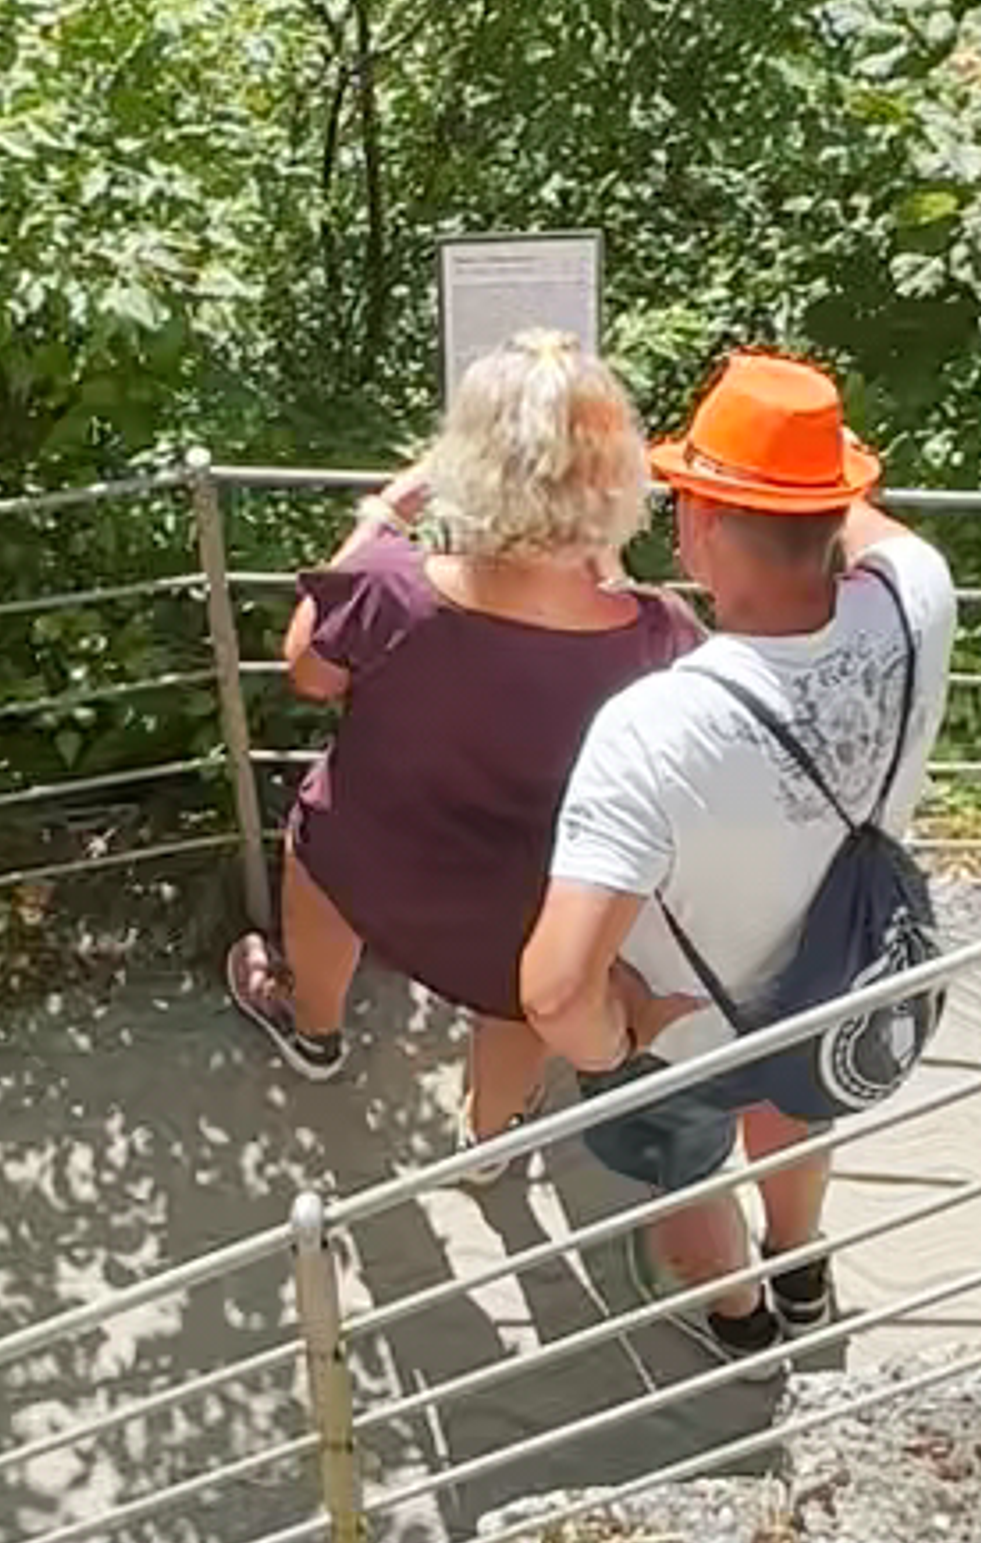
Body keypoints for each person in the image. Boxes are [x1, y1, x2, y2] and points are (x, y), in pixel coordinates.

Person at [517, 350, 957, 1350]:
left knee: (683, 1169)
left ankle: (742, 1321)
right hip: (842, 976)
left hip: (690, 1027)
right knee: (797, 1109)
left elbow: (552, 991)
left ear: (700, 524)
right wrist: (804, 457)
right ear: (832, 512)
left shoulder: (652, 727)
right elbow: (869, 523)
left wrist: (609, 1047)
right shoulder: (917, 598)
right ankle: (801, 1269)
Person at [223, 332, 692, 1138]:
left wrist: (382, 513)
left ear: (469, 460)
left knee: (320, 846)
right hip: (529, 897)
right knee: (519, 984)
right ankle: (489, 1134)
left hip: (369, 854)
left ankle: (313, 1030)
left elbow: (309, 671)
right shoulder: (658, 634)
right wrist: (606, 564)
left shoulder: (390, 589)